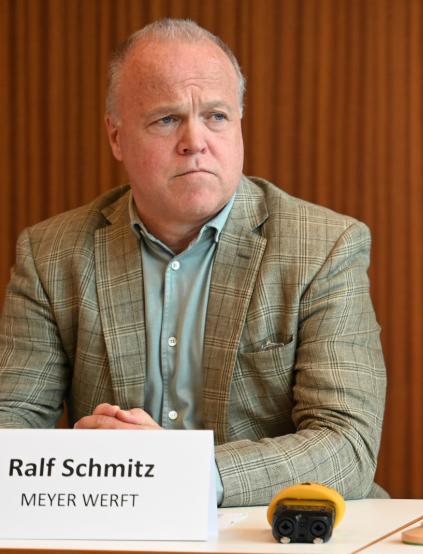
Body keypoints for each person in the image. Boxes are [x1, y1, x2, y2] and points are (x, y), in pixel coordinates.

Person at [0, 19, 387, 507]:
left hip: (276, 532)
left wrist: (179, 472)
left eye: (216, 116)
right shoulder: (50, 254)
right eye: (166, 119)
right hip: (121, 531)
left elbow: (346, 445)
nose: (195, 140)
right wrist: (89, 464)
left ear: (240, 122)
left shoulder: (324, 246)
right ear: (116, 136)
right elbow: (8, 429)